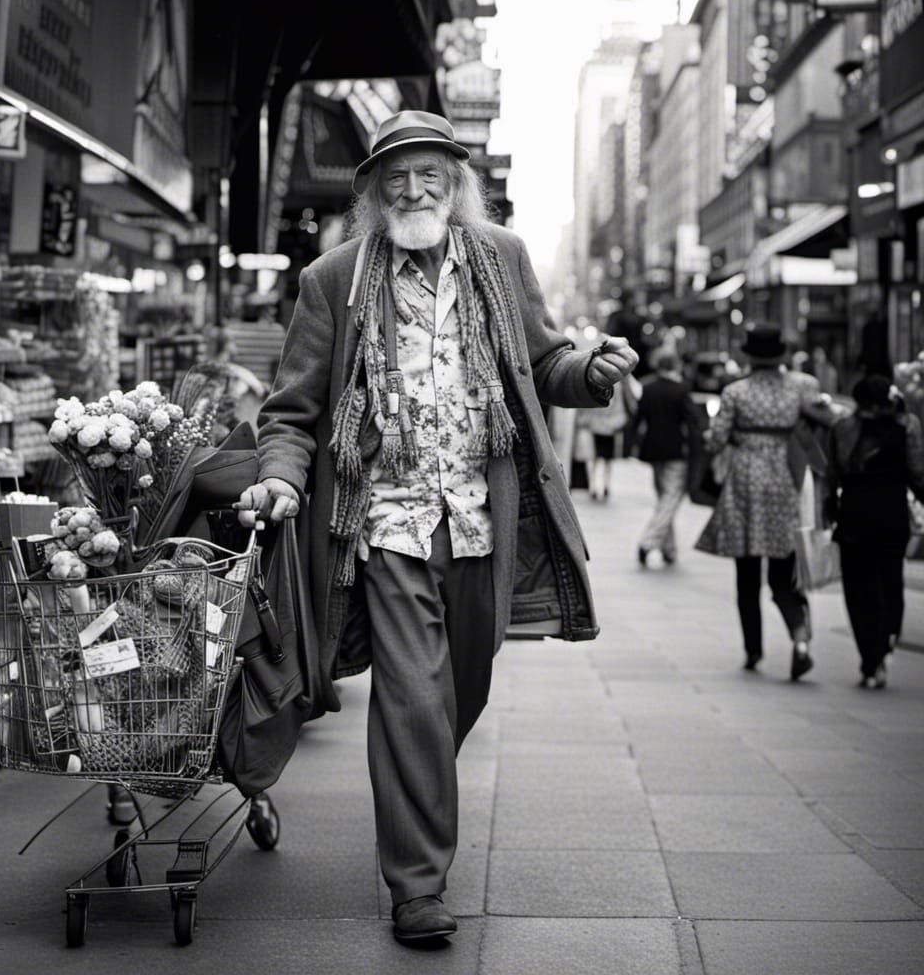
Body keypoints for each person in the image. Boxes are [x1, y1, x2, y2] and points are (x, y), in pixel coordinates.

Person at [233, 110, 638, 944]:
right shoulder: (333, 279)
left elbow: (547, 361)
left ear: (456, 186)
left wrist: (591, 372)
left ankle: (415, 795)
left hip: (480, 520)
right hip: (384, 524)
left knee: (464, 686)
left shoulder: (503, 260)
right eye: (397, 178)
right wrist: (277, 478)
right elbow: (291, 412)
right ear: (374, 194)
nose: (414, 190)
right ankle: (417, 885)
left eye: (431, 176)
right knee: (413, 696)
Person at [695, 323, 821, 679]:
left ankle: (753, 650)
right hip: (786, 478)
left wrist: (720, 436)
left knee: (747, 575)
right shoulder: (802, 386)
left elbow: (716, 440)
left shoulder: (736, 392)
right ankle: (799, 636)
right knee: (784, 573)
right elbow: (820, 423)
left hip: (746, 481)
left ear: (749, 356)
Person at [825, 375, 924, 688]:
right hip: (891, 513)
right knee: (890, 583)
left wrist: (828, 508)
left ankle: (869, 655)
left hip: (854, 513)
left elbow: (832, 473)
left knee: (857, 588)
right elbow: (918, 472)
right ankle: (885, 644)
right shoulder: (906, 426)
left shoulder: (841, 429)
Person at [633, 349, 696, 565]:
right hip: (676, 450)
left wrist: (633, 445)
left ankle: (669, 549)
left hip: (653, 449)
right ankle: (648, 542)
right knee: (670, 500)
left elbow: (637, 419)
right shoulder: (682, 389)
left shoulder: (648, 388)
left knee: (664, 499)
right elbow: (692, 422)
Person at [577, 367, 639, 500]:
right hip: (612, 424)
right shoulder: (620, 379)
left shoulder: (593, 376)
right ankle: (605, 485)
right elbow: (633, 395)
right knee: (607, 458)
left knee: (593, 456)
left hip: (594, 422)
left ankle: (593, 485)